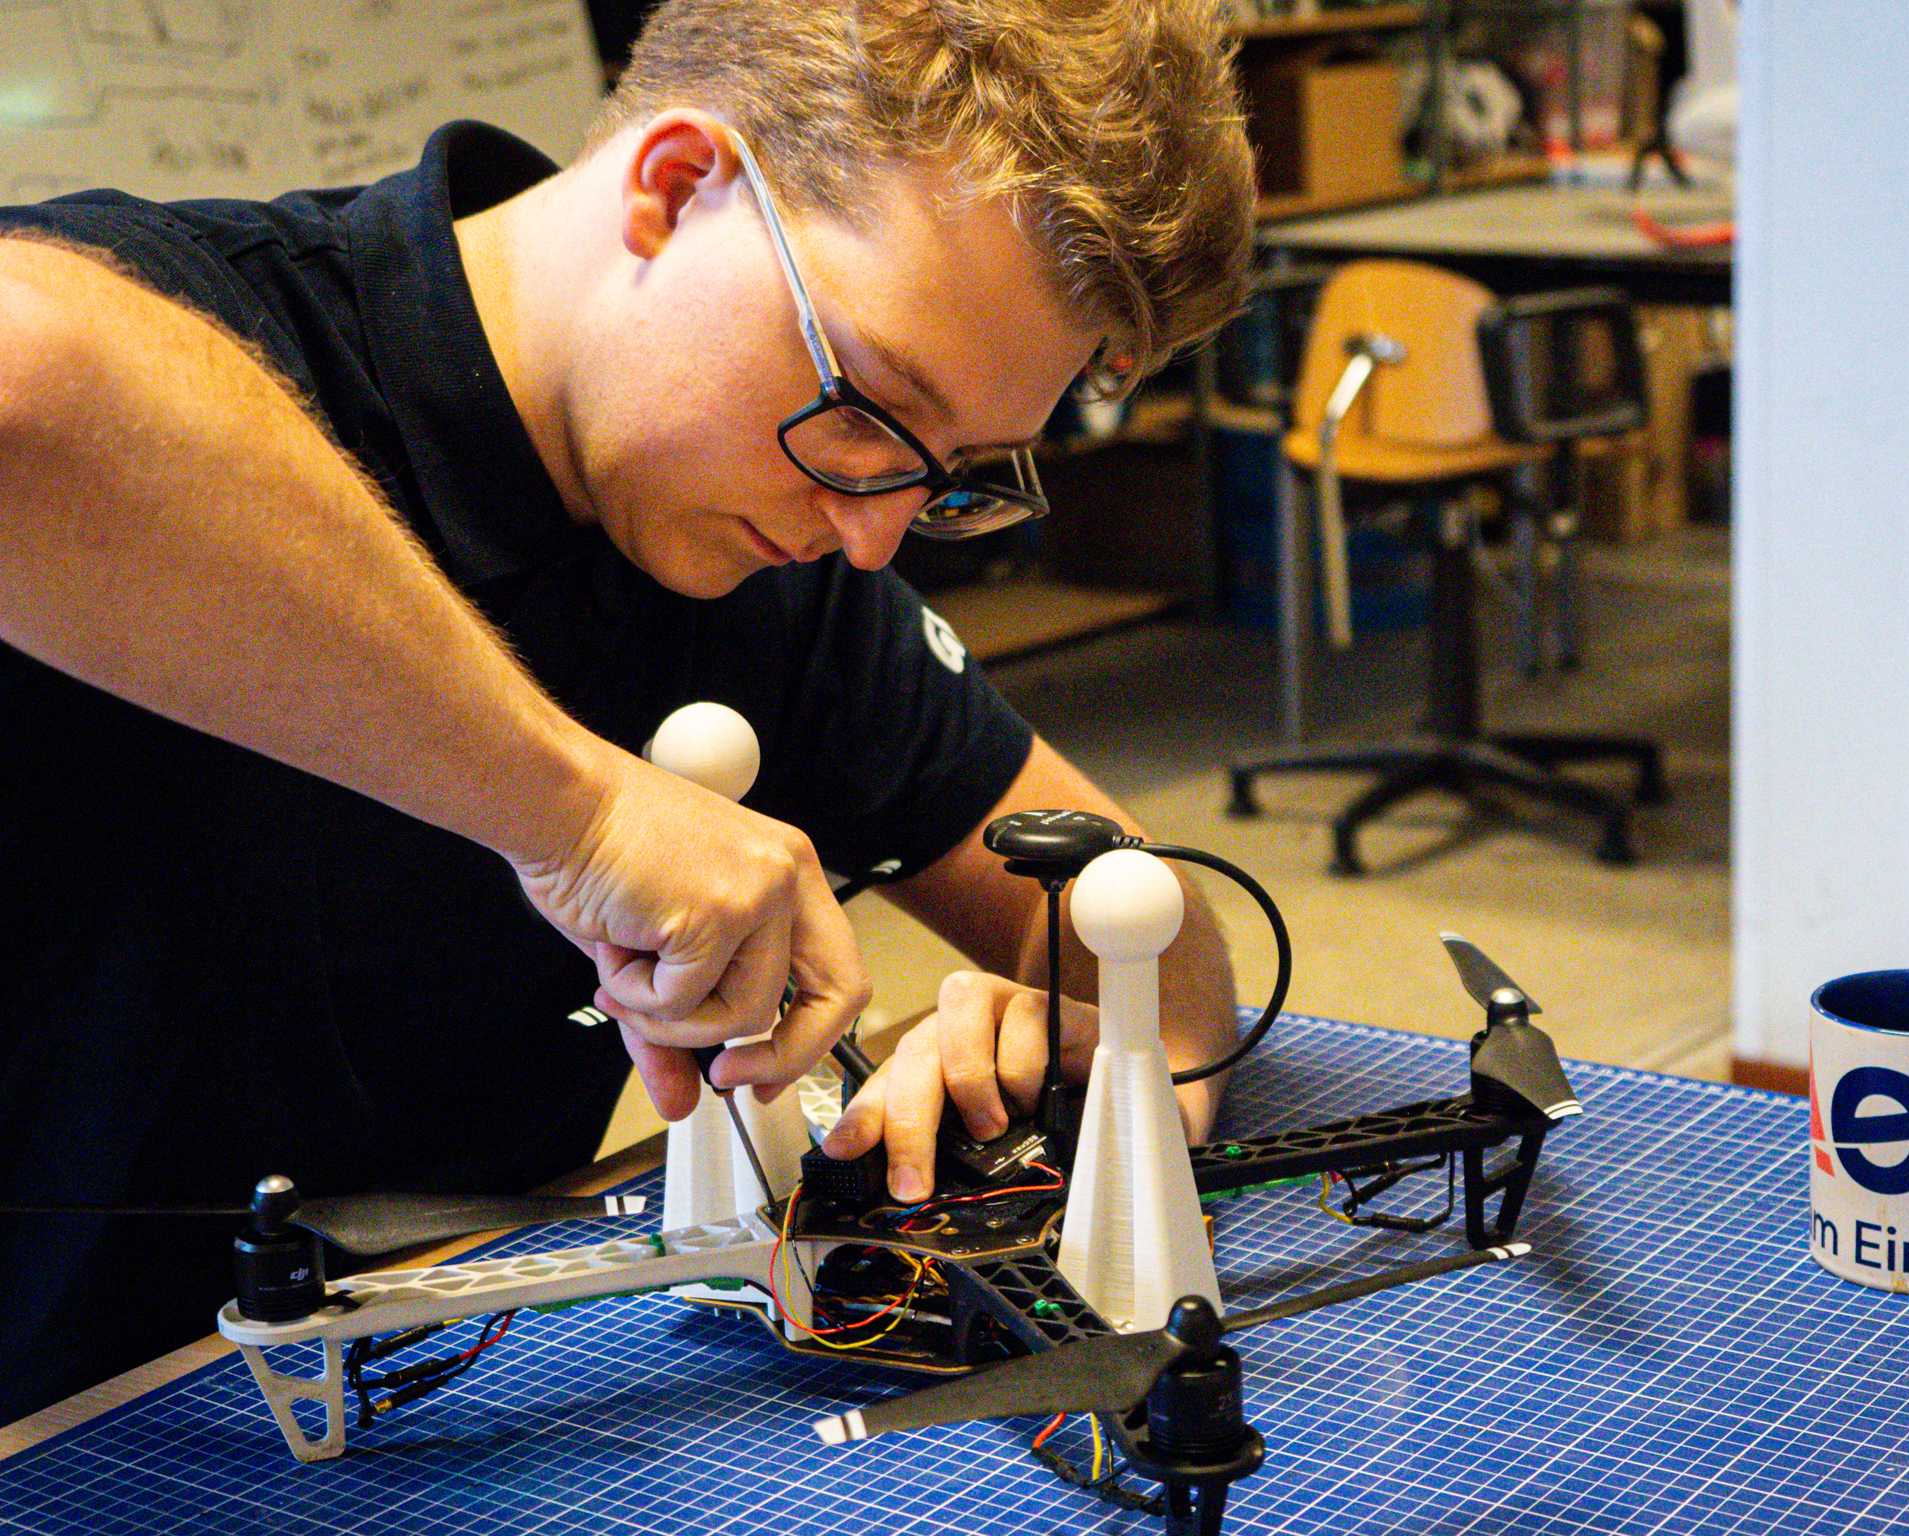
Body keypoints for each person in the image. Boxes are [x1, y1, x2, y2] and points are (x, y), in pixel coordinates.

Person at [0, 0, 1255, 1423]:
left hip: (400, 1426)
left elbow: (1141, 920)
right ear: (671, 191)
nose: (872, 534)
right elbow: (22, 387)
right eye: (867, 405)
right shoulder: (217, 321)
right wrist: (579, 815)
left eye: (958, 470)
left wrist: (1065, 1054)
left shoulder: (765, 551)